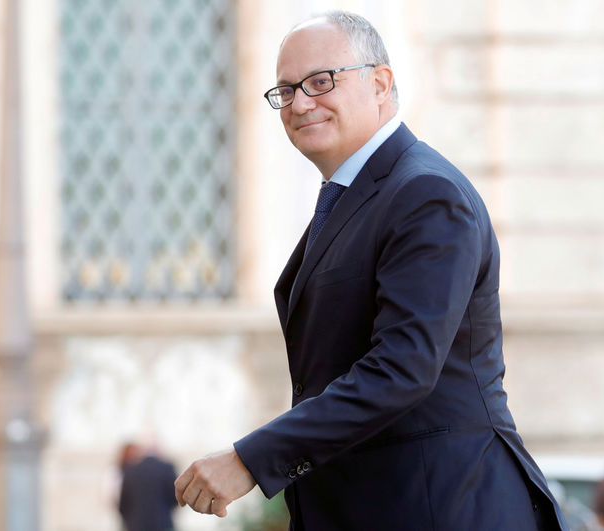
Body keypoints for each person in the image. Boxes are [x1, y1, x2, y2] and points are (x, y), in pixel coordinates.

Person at [174, 10, 568, 530]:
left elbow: (402, 368)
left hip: (442, 508)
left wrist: (251, 459)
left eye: (321, 81)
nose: (301, 103)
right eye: (286, 90)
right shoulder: (357, 198)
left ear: (380, 83)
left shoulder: (427, 194)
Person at [117, 442, 178, 531]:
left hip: (136, 525)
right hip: (163, 524)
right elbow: (176, 498)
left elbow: (123, 504)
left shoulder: (130, 470)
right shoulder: (167, 468)